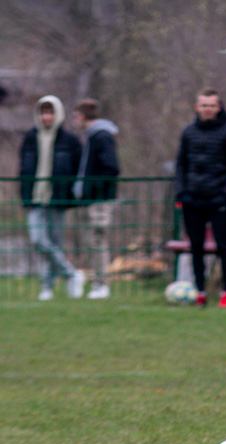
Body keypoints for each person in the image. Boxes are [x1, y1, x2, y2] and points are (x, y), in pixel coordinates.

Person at [174, 87, 226, 308]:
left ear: (219, 107)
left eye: (212, 105)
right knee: (196, 247)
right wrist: (182, 192)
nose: (208, 109)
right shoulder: (188, 132)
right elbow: (181, 165)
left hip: (217, 199)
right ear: (197, 107)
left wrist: (225, 194)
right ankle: (200, 292)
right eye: (204, 105)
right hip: (192, 199)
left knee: (223, 247)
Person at [19, 95, 85, 301]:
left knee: (54, 242)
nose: (47, 117)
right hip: (36, 197)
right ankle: (71, 274)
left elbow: (78, 170)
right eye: (43, 112)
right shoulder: (30, 137)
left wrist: (71, 194)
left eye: (50, 112)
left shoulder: (70, 141)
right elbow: (23, 168)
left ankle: (46, 288)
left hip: (58, 198)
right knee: (38, 240)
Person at [72, 98, 120, 300]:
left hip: (100, 199)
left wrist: (94, 188)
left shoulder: (101, 136)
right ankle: (98, 284)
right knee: (93, 241)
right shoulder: (93, 136)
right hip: (92, 199)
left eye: (76, 116)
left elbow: (112, 167)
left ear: (82, 116)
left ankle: (101, 285)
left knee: (98, 240)